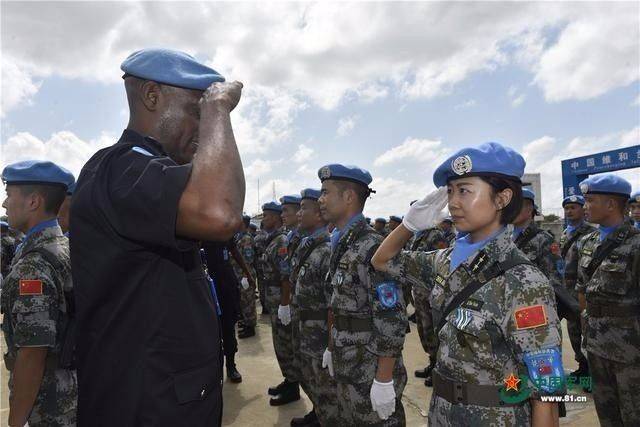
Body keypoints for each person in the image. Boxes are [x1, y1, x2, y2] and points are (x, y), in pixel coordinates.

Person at [70, 48, 245, 426]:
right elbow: (220, 212)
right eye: (194, 113)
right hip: (143, 408)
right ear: (151, 96)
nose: (203, 131)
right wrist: (217, 108)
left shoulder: (150, 171)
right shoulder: (121, 167)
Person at [372, 142, 563, 426]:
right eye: (450, 191)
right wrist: (408, 225)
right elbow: (382, 260)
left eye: (464, 190)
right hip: (442, 413)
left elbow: (546, 389)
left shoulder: (522, 281)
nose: (453, 203)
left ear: (502, 198)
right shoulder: (444, 261)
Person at [318, 164, 408, 425]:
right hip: (347, 359)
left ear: (348, 197)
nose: (320, 200)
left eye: (326, 193)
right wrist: (331, 346)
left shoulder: (372, 246)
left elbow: (391, 318)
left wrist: (383, 379)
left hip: (369, 367)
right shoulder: (341, 242)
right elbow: (337, 302)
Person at [1, 160, 77, 427]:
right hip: (73, 392)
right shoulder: (66, 247)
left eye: (9, 194)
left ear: (33, 202)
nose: (4, 204)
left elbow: (33, 353)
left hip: (48, 405)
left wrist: (16, 421)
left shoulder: (33, 266)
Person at [575, 174, 640, 426]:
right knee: (607, 413)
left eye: (590, 201)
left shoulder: (636, 245)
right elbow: (583, 290)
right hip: (595, 343)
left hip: (630, 350)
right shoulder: (587, 243)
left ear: (611, 205)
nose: (585, 207)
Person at [289, 188, 337, 427]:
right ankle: (318, 414)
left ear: (319, 215)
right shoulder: (307, 244)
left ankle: (324, 417)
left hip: (319, 330)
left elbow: (333, 304)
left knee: (324, 383)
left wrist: (331, 344)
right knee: (309, 377)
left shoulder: (326, 249)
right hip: (305, 325)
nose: (299, 214)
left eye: (303, 208)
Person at [260, 202, 301, 405]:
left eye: (267, 216)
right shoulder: (273, 240)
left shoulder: (281, 241)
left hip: (281, 301)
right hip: (274, 299)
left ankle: (293, 387)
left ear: (274, 218)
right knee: (280, 344)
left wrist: (285, 304)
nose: (264, 219)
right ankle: (289, 380)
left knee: (285, 345)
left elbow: (286, 277)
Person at [406, 217, 448, 387]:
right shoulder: (417, 235)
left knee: (434, 330)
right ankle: (432, 363)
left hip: (431, 292)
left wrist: (435, 289)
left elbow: (443, 265)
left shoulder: (435, 235)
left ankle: (438, 369)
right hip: (419, 290)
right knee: (424, 330)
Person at [559, 195, 595, 379]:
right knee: (573, 330)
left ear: (583, 209)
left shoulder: (591, 232)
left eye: (573, 207)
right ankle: (581, 364)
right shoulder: (565, 233)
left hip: (583, 291)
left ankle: (590, 368)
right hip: (567, 291)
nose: (569, 211)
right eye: (567, 208)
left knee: (585, 330)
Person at [202, 240, 243, 383]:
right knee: (209, 330)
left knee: (228, 328)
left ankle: (231, 366)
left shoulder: (224, 231)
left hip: (226, 284)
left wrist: (248, 274)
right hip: (206, 284)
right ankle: (213, 369)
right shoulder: (200, 230)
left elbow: (235, 252)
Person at [231, 215, 258, 339]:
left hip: (245, 275)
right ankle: (246, 323)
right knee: (243, 300)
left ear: (243, 224)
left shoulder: (246, 238)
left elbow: (248, 259)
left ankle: (250, 327)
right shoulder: (239, 237)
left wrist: (246, 276)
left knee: (248, 302)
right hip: (240, 274)